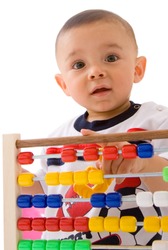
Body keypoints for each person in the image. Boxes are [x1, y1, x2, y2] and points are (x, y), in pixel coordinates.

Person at [38, 9, 168, 246]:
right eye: (79, 64)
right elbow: (44, 190)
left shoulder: (157, 122)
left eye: (110, 58)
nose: (95, 72)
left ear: (137, 69)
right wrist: (15, 177)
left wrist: (142, 162)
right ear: (64, 84)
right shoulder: (56, 140)